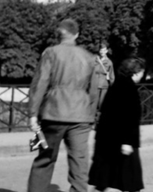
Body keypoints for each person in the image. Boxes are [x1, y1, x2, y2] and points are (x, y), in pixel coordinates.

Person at [27, 19, 98, 192]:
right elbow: (94, 90)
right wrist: (91, 114)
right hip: (81, 115)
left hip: (54, 112)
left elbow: (40, 84)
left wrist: (33, 113)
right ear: (77, 34)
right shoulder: (89, 57)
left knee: (45, 159)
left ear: (58, 35)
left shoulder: (51, 52)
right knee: (79, 161)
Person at [89, 57, 146, 192]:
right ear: (136, 72)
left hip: (107, 139)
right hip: (121, 140)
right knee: (131, 179)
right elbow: (130, 117)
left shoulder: (116, 85)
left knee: (104, 178)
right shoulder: (129, 89)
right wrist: (127, 141)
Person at [94, 42, 115, 115]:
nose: (102, 52)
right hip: (95, 84)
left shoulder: (109, 62)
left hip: (104, 85)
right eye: (101, 50)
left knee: (102, 104)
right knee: (94, 103)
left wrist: (113, 86)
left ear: (106, 51)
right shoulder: (95, 60)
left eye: (104, 50)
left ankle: (99, 120)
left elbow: (112, 75)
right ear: (99, 51)